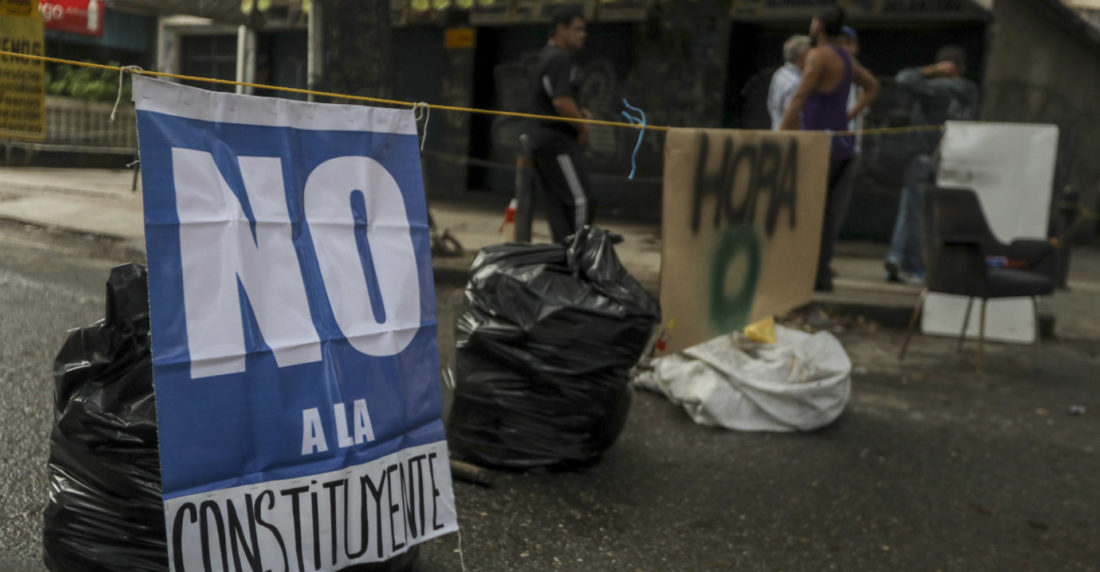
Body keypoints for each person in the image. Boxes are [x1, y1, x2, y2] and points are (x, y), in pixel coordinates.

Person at [780, 6, 880, 292]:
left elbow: (800, 97)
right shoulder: (846, 58)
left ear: (818, 26)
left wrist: (782, 137)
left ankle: (801, 276)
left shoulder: (818, 55)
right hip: (842, 146)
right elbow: (872, 87)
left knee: (806, 212)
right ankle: (820, 276)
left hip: (816, 146)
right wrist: (849, 116)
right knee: (828, 216)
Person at [884, 46, 980, 284]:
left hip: (924, 155)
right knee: (920, 212)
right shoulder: (971, 91)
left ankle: (909, 263)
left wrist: (931, 71)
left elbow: (903, 79)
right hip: (952, 159)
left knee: (914, 212)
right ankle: (898, 257)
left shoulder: (939, 88)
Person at [528, 6, 594, 244]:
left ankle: (564, 263)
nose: (582, 35)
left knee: (558, 207)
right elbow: (560, 101)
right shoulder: (559, 58)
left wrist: (579, 111)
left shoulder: (546, 56)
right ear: (560, 29)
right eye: (577, 29)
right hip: (557, 142)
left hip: (544, 140)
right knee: (581, 202)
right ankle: (578, 260)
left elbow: (555, 98)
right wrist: (583, 126)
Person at [767, 35, 811, 130]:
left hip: (777, 132)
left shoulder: (779, 73)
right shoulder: (797, 83)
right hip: (793, 139)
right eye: (811, 53)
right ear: (803, 55)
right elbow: (794, 118)